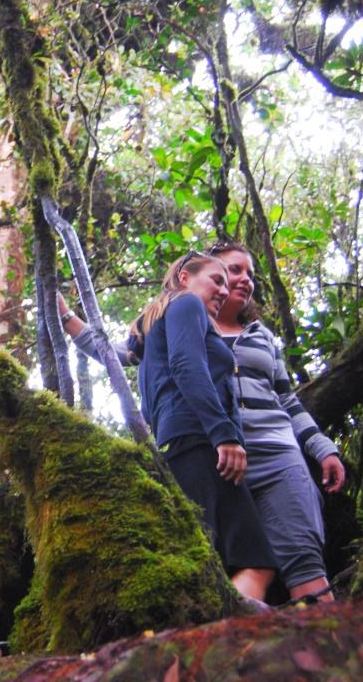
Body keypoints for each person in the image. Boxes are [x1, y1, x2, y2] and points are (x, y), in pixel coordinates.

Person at [60, 240, 345, 605]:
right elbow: (117, 356)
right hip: (213, 447)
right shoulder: (177, 318)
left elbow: (287, 399)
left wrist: (322, 448)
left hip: (273, 454)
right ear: (190, 276)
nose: (239, 281)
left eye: (248, 274)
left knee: (297, 557)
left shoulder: (261, 336)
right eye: (229, 272)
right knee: (233, 558)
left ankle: (323, 644)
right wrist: (68, 320)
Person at [130, 250, 278, 601]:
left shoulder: (157, 328)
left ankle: (219, 636)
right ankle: (217, 638)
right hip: (201, 444)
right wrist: (224, 435)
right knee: (251, 560)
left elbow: (151, 406)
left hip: (182, 444)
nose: (224, 291)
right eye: (217, 279)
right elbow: (186, 366)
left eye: (227, 286)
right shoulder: (185, 304)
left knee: (216, 556)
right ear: (185, 278)